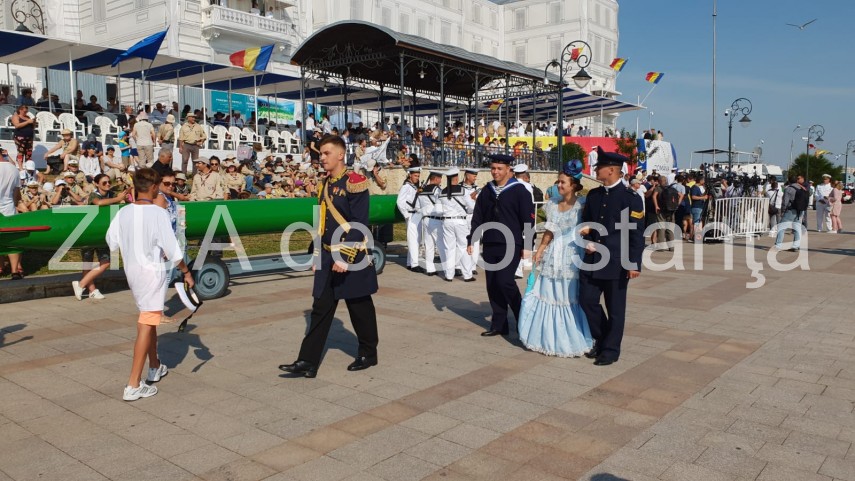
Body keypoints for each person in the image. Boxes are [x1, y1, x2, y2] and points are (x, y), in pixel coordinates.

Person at [278, 135, 379, 377]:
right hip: (326, 257)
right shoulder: (325, 183)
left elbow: (358, 224)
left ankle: (368, 353)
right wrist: (316, 254)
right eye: (320, 154)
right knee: (320, 309)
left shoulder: (355, 182)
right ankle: (307, 361)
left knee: (359, 307)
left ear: (341, 155)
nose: (321, 158)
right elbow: (322, 223)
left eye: (326, 153)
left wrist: (344, 258)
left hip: (351, 258)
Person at [106, 168, 193, 401]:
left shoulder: (123, 212)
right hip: (152, 273)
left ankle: (155, 366)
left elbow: (111, 242)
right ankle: (133, 384)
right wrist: (186, 272)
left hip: (132, 272)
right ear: (154, 188)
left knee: (150, 318)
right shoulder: (158, 214)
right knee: (146, 323)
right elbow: (173, 250)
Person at [519, 160, 592, 357]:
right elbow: (550, 231)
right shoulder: (551, 204)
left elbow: (591, 226)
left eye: (562, 183)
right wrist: (540, 249)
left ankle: (570, 339)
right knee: (548, 291)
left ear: (574, 185)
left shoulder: (583, 205)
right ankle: (546, 337)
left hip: (573, 252)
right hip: (553, 252)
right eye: (558, 182)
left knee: (568, 296)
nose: (558, 186)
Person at [579, 149, 644, 366]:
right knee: (586, 300)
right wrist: (586, 239)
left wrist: (634, 263)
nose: (596, 170)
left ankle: (610, 350)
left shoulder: (630, 198)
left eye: (599, 167)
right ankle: (603, 338)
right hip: (592, 259)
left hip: (617, 261)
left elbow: (636, 234)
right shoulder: (594, 195)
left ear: (612, 170)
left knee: (615, 309)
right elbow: (586, 223)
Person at [467, 154, 535, 337]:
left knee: (505, 281)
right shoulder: (487, 190)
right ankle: (499, 324)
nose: (495, 172)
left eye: (499, 168)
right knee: (493, 284)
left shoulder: (520, 190)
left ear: (508, 170)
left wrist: (528, 244)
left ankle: (523, 317)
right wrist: (472, 239)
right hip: (490, 243)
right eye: (493, 168)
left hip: (511, 242)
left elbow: (528, 220)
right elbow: (478, 216)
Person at [72, 174, 129, 301]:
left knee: (105, 262)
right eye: (104, 183)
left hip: (103, 234)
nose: (108, 184)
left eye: (109, 182)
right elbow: (99, 203)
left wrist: (126, 196)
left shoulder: (112, 194)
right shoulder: (93, 195)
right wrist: (117, 199)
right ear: (97, 184)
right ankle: (91, 289)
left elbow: (124, 202)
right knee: (87, 264)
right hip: (89, 233)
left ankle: (81, 284)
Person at [439, 168, 475, 282]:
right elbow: (471, 206)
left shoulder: (442, 192)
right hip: (460, 222)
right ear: (456, 178)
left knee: (449, 249)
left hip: (447, 222)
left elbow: (439, 209)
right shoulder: (462, 190)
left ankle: (449, 275)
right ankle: (467, 275)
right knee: (463, 247)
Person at [0, 151, 23, 279]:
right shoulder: (13, 168)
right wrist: (13, 204)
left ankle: (1, 267)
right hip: (9, 208)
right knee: (12, 241)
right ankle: (15, 270)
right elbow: (16, 192)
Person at [397, 165, 423, 272]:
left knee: (417, 239)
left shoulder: (413, 187)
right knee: (413, 240)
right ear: (410, 175)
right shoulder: (406, 187)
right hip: (411, 215)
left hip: (417, 214)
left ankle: (409, 262)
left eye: (418, 176)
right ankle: (414, 264)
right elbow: (400, 201)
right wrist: (406, 214)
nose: (417, 178)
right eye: (415, 176)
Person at [418, 170, 444, 276]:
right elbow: (442, 201)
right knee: (441, 244)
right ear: (436, 178)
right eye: (440, 178)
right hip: (435, 219)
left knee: (429, 245)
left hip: (425, 219)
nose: (441, 180)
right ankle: (447, 268)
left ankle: (430, 269)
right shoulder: (437, 189)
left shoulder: (422, 190)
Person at [774, 175, 809, 251]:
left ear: (789, 181)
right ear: (796, 180)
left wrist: (783, 211)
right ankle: (796, 245)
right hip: (800, 210)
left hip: (791, 210)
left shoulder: (788, 189)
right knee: (797, 227)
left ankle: (778, 246)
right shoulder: (802, 188)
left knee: (781, 227)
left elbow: (785, 201)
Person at [10, 105, 36, 169]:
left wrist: (34, 122)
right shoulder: (15, 116)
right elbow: (17, 125)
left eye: (27, 111)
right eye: (24, 111)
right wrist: (27, 122)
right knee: (21, 152)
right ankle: (20, 167)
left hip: (29, 137)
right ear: (20, 110)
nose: (26, 112)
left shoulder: (28, 117)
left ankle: (28, 167)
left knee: (28, 152)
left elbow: (33, 127)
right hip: (20, 136)